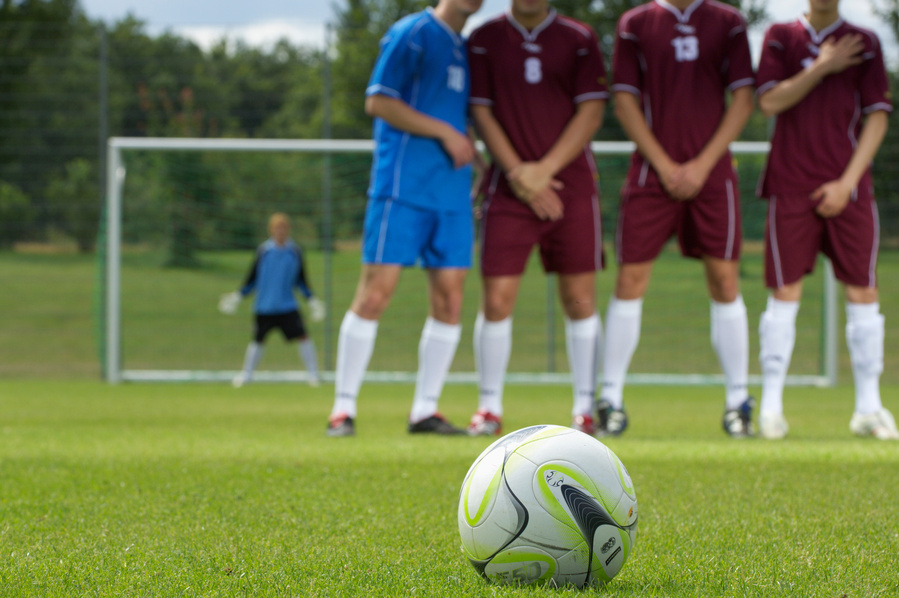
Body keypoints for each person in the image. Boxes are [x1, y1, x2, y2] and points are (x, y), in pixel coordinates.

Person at [326, 0, 484, 437]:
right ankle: (342, 409)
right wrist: (445, 132)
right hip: (402, 188)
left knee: (451, 299)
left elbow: (463, 116)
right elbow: (378, 101)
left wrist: (478, 157)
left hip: (451, 193)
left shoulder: (467, 48)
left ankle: (425, 411)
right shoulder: (411, 32)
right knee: (376, 293)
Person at [599, 0, 756, 437]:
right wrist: (665, 165)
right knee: (629, 281)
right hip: (652, 172)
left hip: (714, 173)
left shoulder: (728, 21)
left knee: (725, 282)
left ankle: (737, 402)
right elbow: (625, 99)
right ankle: (610, 398)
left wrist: (703, 164)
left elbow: (744, 98)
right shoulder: (636, 23)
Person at [464, 0, 608, 436]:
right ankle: (489, 408)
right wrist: (518, 174)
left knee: (580, 299)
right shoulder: (484, 39)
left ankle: (585, 408)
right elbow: (481, 111)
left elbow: (592, 109)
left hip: (571, 187)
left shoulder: (579, 38)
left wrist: (543, 171)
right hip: (508, 189)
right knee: (496, 300)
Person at [755, 0, 897, 440]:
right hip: (791, 182)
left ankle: (869, 408)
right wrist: (823, 66)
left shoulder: (867, 41)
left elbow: (878, 116)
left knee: (863, 290)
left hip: (850, 188)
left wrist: (846, 183)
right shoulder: (781, 36)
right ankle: (772, 407)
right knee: (785, 290)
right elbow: (769, 102)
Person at [219, 212, 325, 387]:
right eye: (277, 228)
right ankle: (247, 375)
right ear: (271, 230)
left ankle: (313, 374)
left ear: (288, 230)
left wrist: (312, 299)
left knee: (303, 336)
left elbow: (301, 280)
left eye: (283, 228)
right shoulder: (264, 251)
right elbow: (252, 278)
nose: (280, 231)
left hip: (287, 306)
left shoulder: (295, 252)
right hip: (264, 307)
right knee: (258, 340)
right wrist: (238, 295)